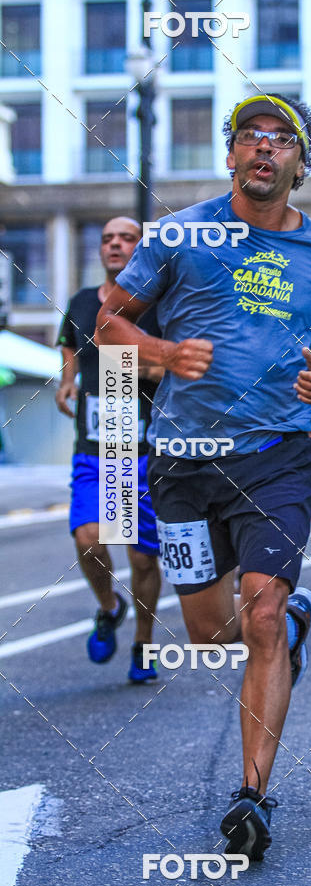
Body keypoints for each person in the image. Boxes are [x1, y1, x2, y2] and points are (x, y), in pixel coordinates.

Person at [95, 94, 311, 859]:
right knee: (210, 632)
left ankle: (252, 797)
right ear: (230, 154)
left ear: (298, 165)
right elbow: (108, 321)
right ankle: (295, 623)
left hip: (277, 453)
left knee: (257, 614)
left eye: (281, 141)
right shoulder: (183, 233)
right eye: (251, 136)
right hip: (182, 459)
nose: (264, 149)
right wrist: (160, 354)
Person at [56, 217, 162, 682]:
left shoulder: (158, 304)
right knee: (88, 537)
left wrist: (147, 369)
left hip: (141, 449)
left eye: (126, 238)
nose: (115, 245)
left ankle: (143, 644)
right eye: (107, 239)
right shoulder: (82, 302)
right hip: (95, 448)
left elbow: (174, 363)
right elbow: (69, 345)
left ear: (140, 249)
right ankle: (109, 605)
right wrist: (67, 380)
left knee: (142, 556)